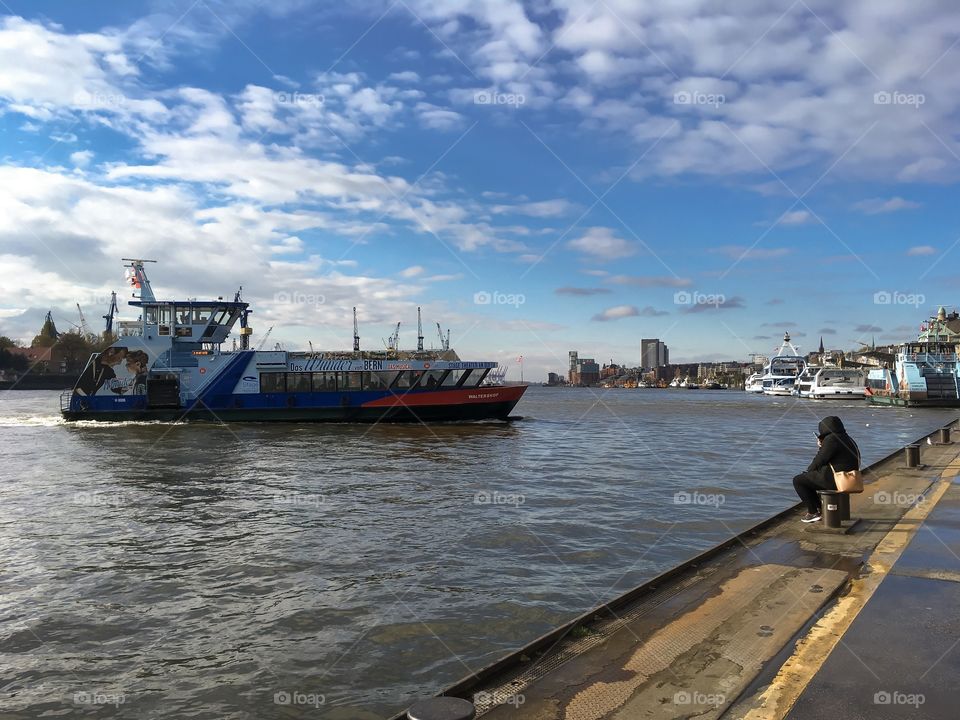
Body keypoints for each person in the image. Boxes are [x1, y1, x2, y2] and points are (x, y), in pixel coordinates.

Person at [793, 416, 860, 523]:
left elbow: (820, 460)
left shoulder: (832, 439)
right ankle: (820, 510)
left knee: (798, 480)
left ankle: (813, 512)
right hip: (850, 478)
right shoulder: (848, 438)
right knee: (809, 478)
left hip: (835, 480)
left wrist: (809, 471)